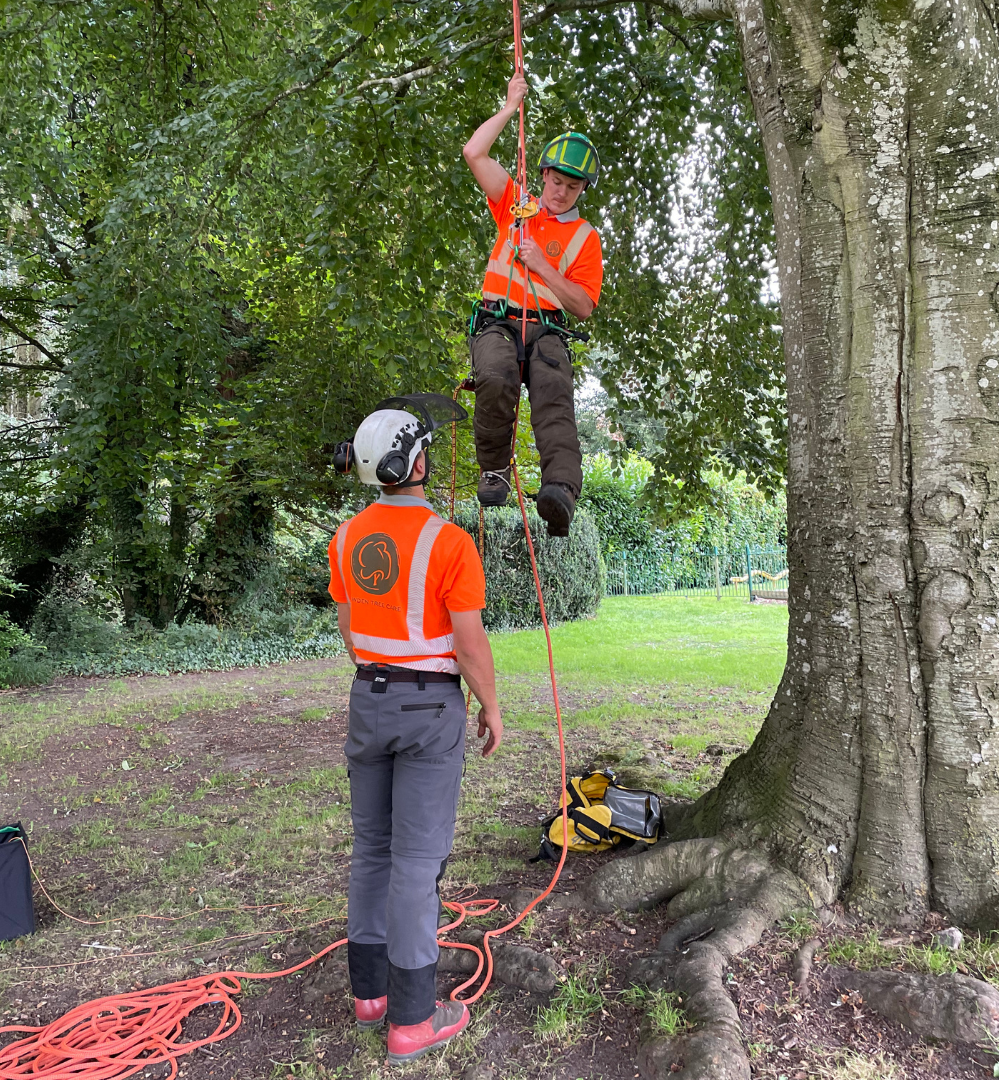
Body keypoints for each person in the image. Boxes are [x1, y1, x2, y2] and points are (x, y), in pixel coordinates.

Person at [328, 394, 503, 1065]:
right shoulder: (448, 541)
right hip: (430, 711)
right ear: (414, 460)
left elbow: (351, 628)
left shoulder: (345, 539)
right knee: (415, 864)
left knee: (372, 849)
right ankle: (410, 1018)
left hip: (366, 701)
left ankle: (368, 995)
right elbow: (469, 644)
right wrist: (490, 706)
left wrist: (382, 673)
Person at [463, 70, 603, 537]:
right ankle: (495, 471)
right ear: (542, 173)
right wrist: (508, 107)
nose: (560, 192)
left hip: (545, 331)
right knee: (496, 376)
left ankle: (560, 491)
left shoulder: (585, 238)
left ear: (582, 190)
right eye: (555, 180)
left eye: (571, 186)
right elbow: (474, 153)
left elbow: (582, 305)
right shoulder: (514, 204)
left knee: (553, 394)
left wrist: (543, 266)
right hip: (498, 324)